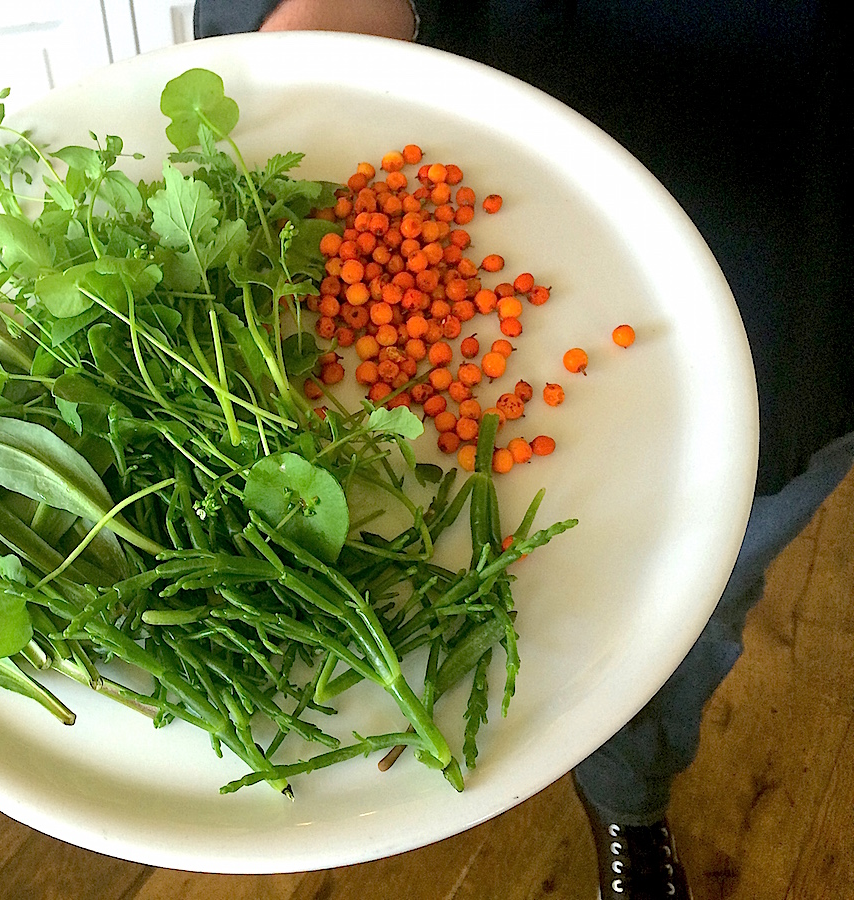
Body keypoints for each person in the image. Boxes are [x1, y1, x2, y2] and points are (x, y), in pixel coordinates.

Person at [193, 1, 854, 897]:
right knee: (415, 534)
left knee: (697, 601)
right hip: (497, 101)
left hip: (806, 261)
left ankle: (630, 799)